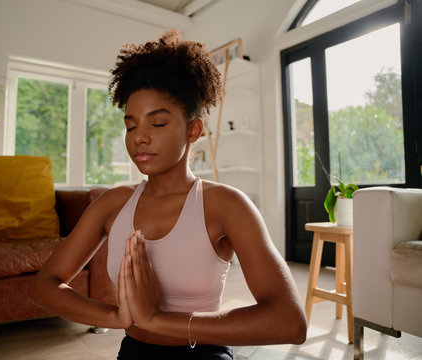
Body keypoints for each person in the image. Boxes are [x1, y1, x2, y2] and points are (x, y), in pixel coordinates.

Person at [31, 30, 307, 360]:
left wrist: (159, 320)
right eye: (131, 126)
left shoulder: (227, 206)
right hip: (133, 352)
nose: (139, 138)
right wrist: (116, 317)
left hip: (203, 354)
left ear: (193, 130)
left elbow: (290, 321)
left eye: (157, 123)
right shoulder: (112, 204)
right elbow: (44, 284)